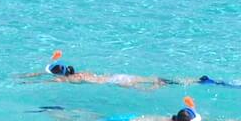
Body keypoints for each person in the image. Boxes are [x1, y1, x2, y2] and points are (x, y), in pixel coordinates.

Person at [38, 52, 176, 89]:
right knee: (148, 80)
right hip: (117, 76)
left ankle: (158, 86)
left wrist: (27, 82)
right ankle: (188, 81)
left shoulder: (66, 79)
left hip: (115, 83)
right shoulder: (80, 73)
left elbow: (49, 81)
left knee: (144, 89)